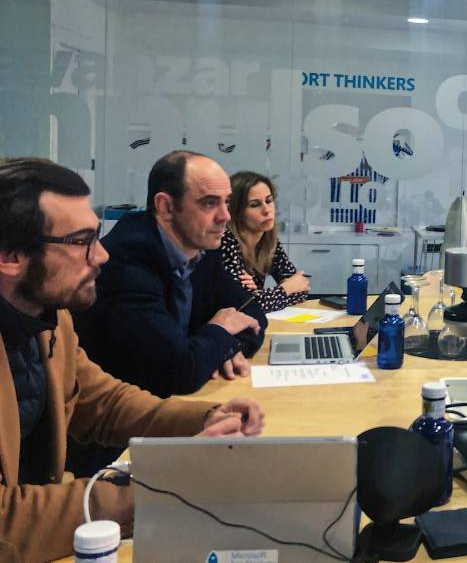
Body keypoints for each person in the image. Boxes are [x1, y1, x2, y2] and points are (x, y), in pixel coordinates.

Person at [0, 157, 265, 561]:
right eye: (81, 241)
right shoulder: (119, 266)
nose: (101, 255)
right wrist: (158, 488)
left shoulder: (49, 319)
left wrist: (205, 419)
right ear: (10, 257)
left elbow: (102, 403)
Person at [73, 151, 267, 398]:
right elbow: (177, 373)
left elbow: (251, 313)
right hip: (124, 419)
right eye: (209, 202)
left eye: (226, 201)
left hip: (175, 404)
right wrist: (218, 332)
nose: (225, 216)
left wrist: (223, 346)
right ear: (165, 206)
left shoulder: (202, 247)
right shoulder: (125, 261)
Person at [222, 171, 309, 312]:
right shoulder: (226, 241)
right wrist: (286, 288)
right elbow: (243, 306)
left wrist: (263, 296)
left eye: (269, 200)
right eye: (255, 204)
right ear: (236, 211)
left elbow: (302, 289)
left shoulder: (269, 240)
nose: (267, 210)